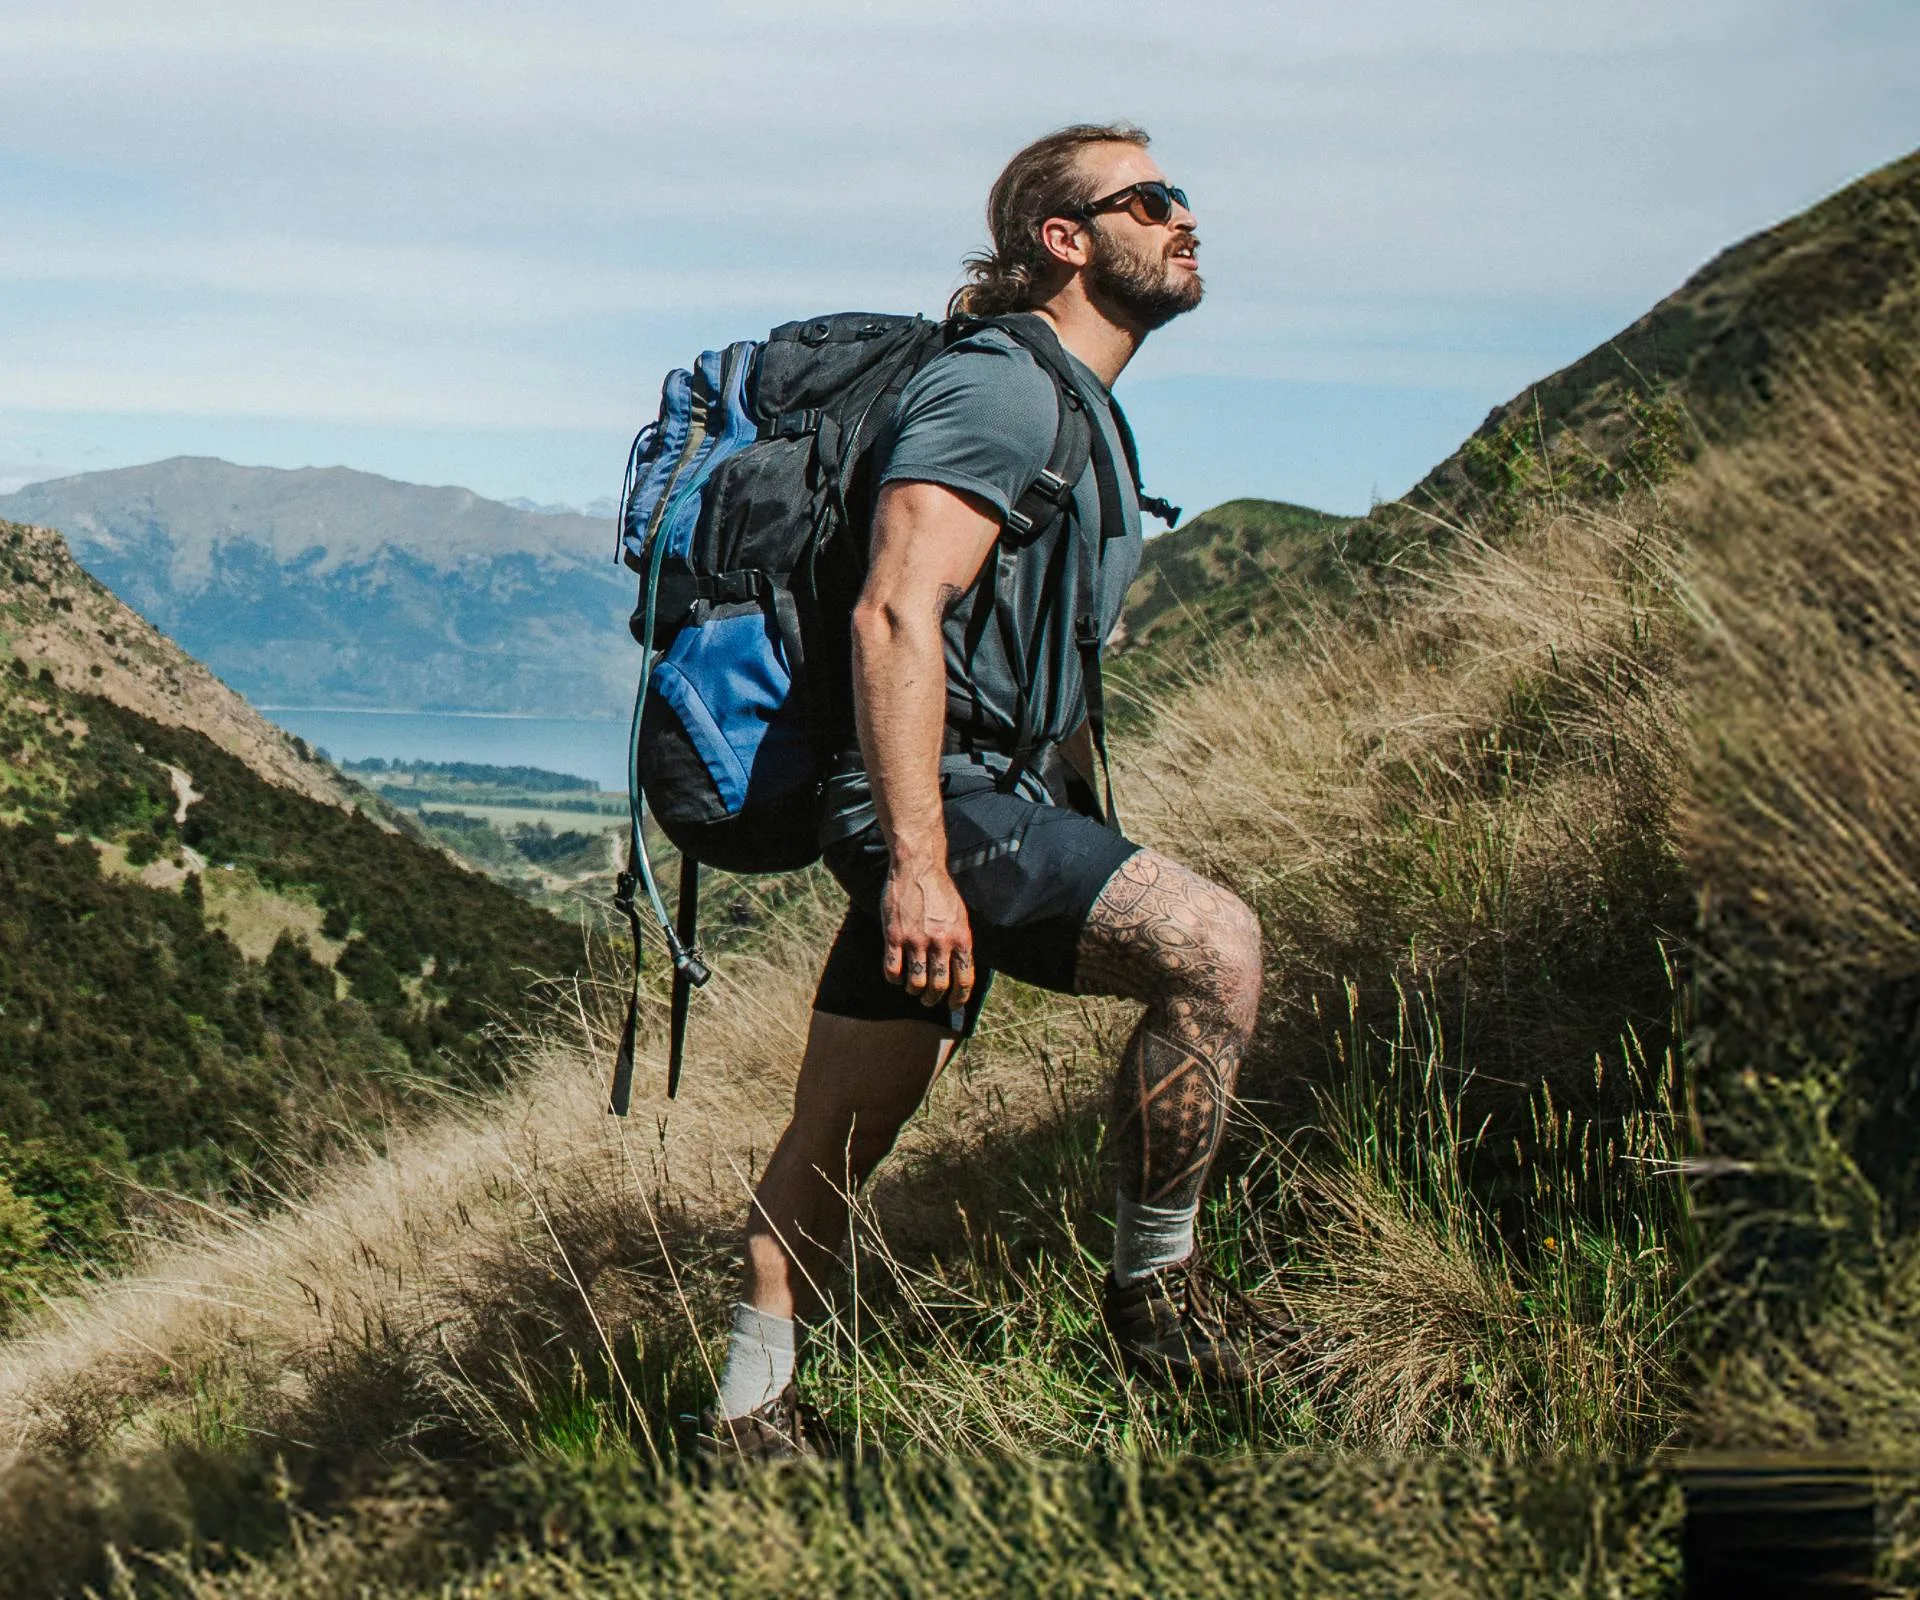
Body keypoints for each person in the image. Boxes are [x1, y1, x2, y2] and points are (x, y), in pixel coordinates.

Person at [700, 122, 1264, 1458]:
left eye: (1178, 193)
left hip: (961, 805)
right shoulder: (1002, 391)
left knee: (839, 1128)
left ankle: (742, 1424)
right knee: (1214, 949)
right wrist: (920, 861)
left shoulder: (1074, 403)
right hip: (940, 803)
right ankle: (1158, 1297)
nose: (1183, 215)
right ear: (1064, 242)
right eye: (1148, 199)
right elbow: (897, 613)